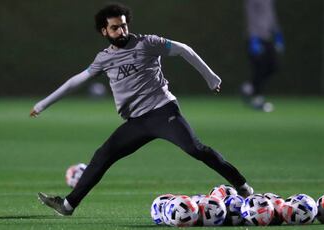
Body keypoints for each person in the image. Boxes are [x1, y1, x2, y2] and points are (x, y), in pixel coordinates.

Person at [31, 4, 254, 216]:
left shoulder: (147, 43)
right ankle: (68, 205)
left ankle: (242, 186)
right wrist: (42, 104)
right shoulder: (104, 58)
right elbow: (75, 82)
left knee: (195, 149)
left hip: (162, 111)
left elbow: (184, 49)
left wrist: (211, 77)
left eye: (124, 25)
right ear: (104, 31)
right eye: (115, 27)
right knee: (103, 155)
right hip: (137, 122)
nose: (122, 30)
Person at [240, 0, 284, 112]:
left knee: (273, 67)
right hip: (256, 38)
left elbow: (271, 15)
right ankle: (257, 99)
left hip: (268, 37)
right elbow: (250, 17)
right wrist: (253, 38)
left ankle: (249, 87)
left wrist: (277, 32)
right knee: (259, 68)